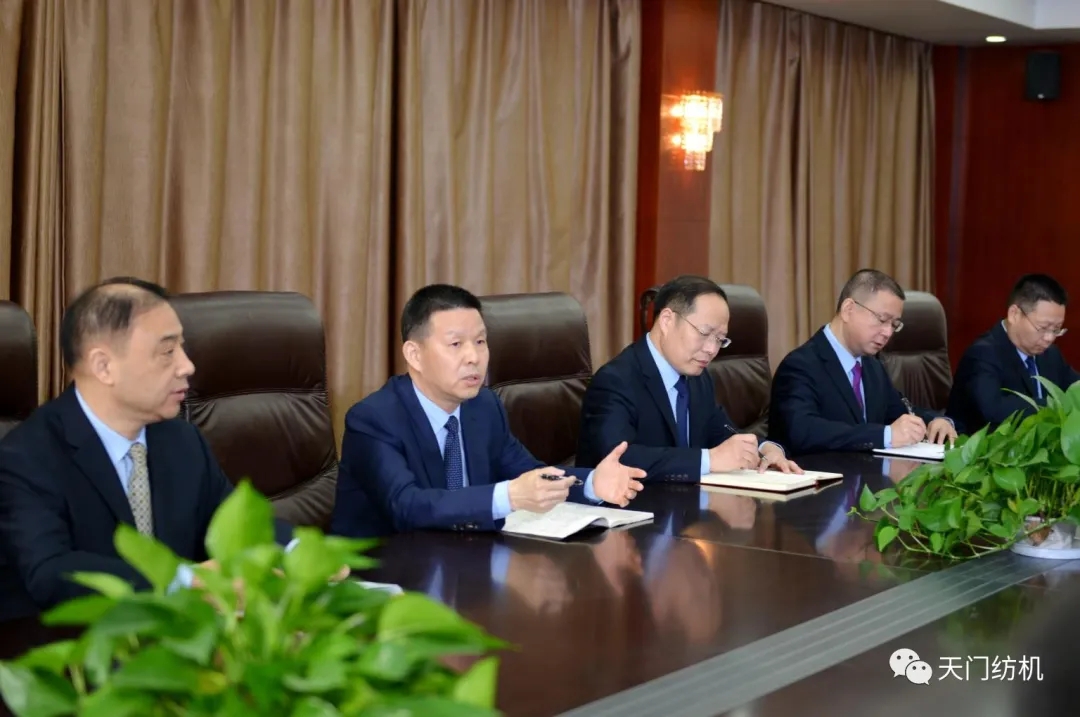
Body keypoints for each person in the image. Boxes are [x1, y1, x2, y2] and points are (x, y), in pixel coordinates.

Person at [0, 277, 294, 612]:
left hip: (180, 632)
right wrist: (185, 580)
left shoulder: (182, 441)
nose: (187, 366)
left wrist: (300, 552)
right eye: (167, 351)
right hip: (73, 637)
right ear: (104, 366)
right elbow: (50, 572)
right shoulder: (26, 457)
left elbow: (236, 523)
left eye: (182, 347)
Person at [331, 284, 646, 538]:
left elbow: (530, 474)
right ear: (414, 355)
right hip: (385, 577)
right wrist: (508, 497)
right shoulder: (373, 419)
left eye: (480, 341)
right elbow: (407, 506)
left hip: (464, 564)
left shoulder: (484, 407)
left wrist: (591, 483)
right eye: (456, 344)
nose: (474, 357)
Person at [576, 275, 801, 482]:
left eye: (720, 339)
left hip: (683, 505)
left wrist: (763, 449)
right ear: (667, 321)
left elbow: (721, 431)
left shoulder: (697, 377)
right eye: (704, 333)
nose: (712, 349)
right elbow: (617, 459)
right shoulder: (615, 381)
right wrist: (709, 460)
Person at [768, 269, 957, 456]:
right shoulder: (800, 366)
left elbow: (900, 411)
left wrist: (935, 421)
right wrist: (884, 435)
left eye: (894, 325)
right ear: (848, 310)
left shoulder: (872, 366)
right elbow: (802, 431)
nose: (888, 333)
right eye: (882, 320)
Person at [947, 273, 1080, 433]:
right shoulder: (982, 354)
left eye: (1057, 329)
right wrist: (1056, 406)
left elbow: (1076, 389)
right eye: (1043, 328)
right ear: (1014, 314)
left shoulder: (1051, 355)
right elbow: (993, 411)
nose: (1049, 338)